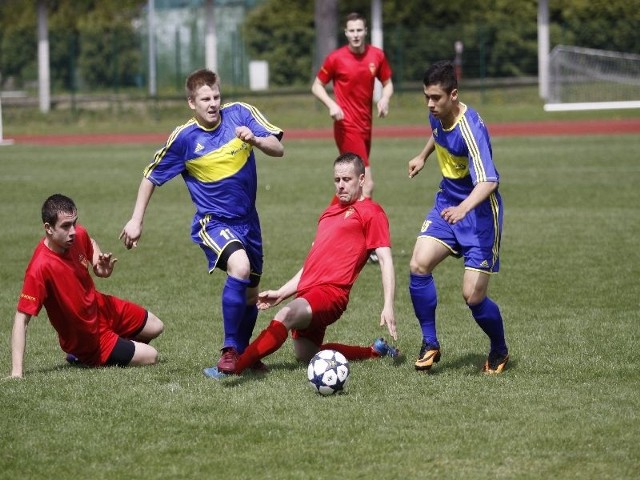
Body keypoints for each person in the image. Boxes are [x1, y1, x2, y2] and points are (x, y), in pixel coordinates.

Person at [120, 68, 284, 373]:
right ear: (191, 103)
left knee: (251, 293)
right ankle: (230, 349)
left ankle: (244, 354)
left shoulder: (240, 114)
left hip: (249, 221)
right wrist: (136, 220)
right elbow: (150, 176)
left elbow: (279, 148)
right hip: (213, 222)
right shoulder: (184, 138)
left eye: (216, 96)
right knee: (240, 267)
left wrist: (257, 140)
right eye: (205, 99)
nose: (212, 104)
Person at [203, 153, 399, 379]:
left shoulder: (372, 213)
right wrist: (282, 293)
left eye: (347, 179)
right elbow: (312, 264)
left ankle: (233, 369)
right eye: (337, 180)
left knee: (285, 316)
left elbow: (385, 259)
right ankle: (375, 352)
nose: (341, 186)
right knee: (308, 355)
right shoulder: (330, 212)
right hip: (309, 291)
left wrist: (388, 305)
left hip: (331, 293)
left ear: (362, 179)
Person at [407, 60, 509, 374]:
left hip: (478, 214)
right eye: (426, 97)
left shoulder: (472, 128)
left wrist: (464, 208)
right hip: (447, 203)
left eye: (436, 98)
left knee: (472, 296)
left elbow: (489, 181)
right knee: (418, 264)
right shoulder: (437, 113)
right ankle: (430, 343)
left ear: (454, 95)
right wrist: (422, 156)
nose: (429, 104)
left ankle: (499, 350)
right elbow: (436, 132)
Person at [9, 194, 164, 378]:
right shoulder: (40, 268)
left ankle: (120, 345)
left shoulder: (77, 235)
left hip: (101, 308)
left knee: (156, 326)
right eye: (65, 226)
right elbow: (21, 318)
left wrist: (97, 263)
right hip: (88, 338)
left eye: (74, 223)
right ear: (48, 228)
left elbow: (89, 241)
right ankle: (82, 355)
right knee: (151, 356)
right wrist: (17, 373)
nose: (73, 230)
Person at [312, 12, 394, 261]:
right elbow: (316, 85)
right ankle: (367, 244)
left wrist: (384, 98)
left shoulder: (376, 56)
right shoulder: (336, 59)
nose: (356, 35)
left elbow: (388, 82)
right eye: (351, 31)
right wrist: (331, 105)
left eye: (360, 30)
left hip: (366, 126)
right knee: (366, 183)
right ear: (345, 33)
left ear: (365, 31)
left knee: (351, 186)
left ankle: (329, 229)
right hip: (346, 126)